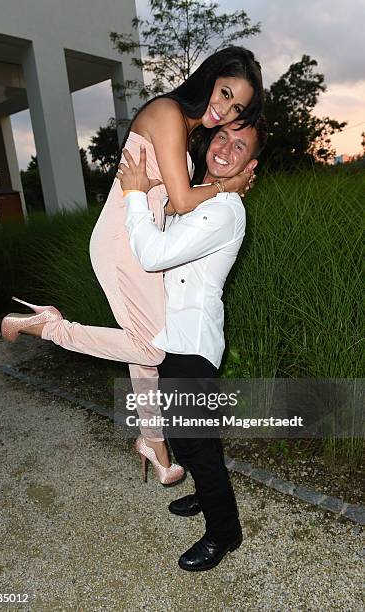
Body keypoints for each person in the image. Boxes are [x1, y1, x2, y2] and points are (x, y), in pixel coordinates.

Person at [1, 46, 264, 484]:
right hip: (122, 243)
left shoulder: (188, 129)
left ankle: (154, 442)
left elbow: (177, 208)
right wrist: (230, 185)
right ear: (209, 78)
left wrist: (219, 189)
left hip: (145, 240)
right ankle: (48, 326)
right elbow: (181, 200)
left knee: (146, 345)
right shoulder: (166, 113)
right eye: (224, 93)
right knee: (153, 348)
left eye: (236, 106)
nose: (224, 109)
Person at [117, 115, 268, 571]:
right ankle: (205, 495)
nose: (224, 147)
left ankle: (226, 532)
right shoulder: (207, 197)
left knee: (195, 441)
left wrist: (135, 195)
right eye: (222, 136)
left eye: (239, 146)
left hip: (192, 342)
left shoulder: (224, 210)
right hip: (175, 336)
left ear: (250, 164)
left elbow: (154, 254)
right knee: (190, 434)